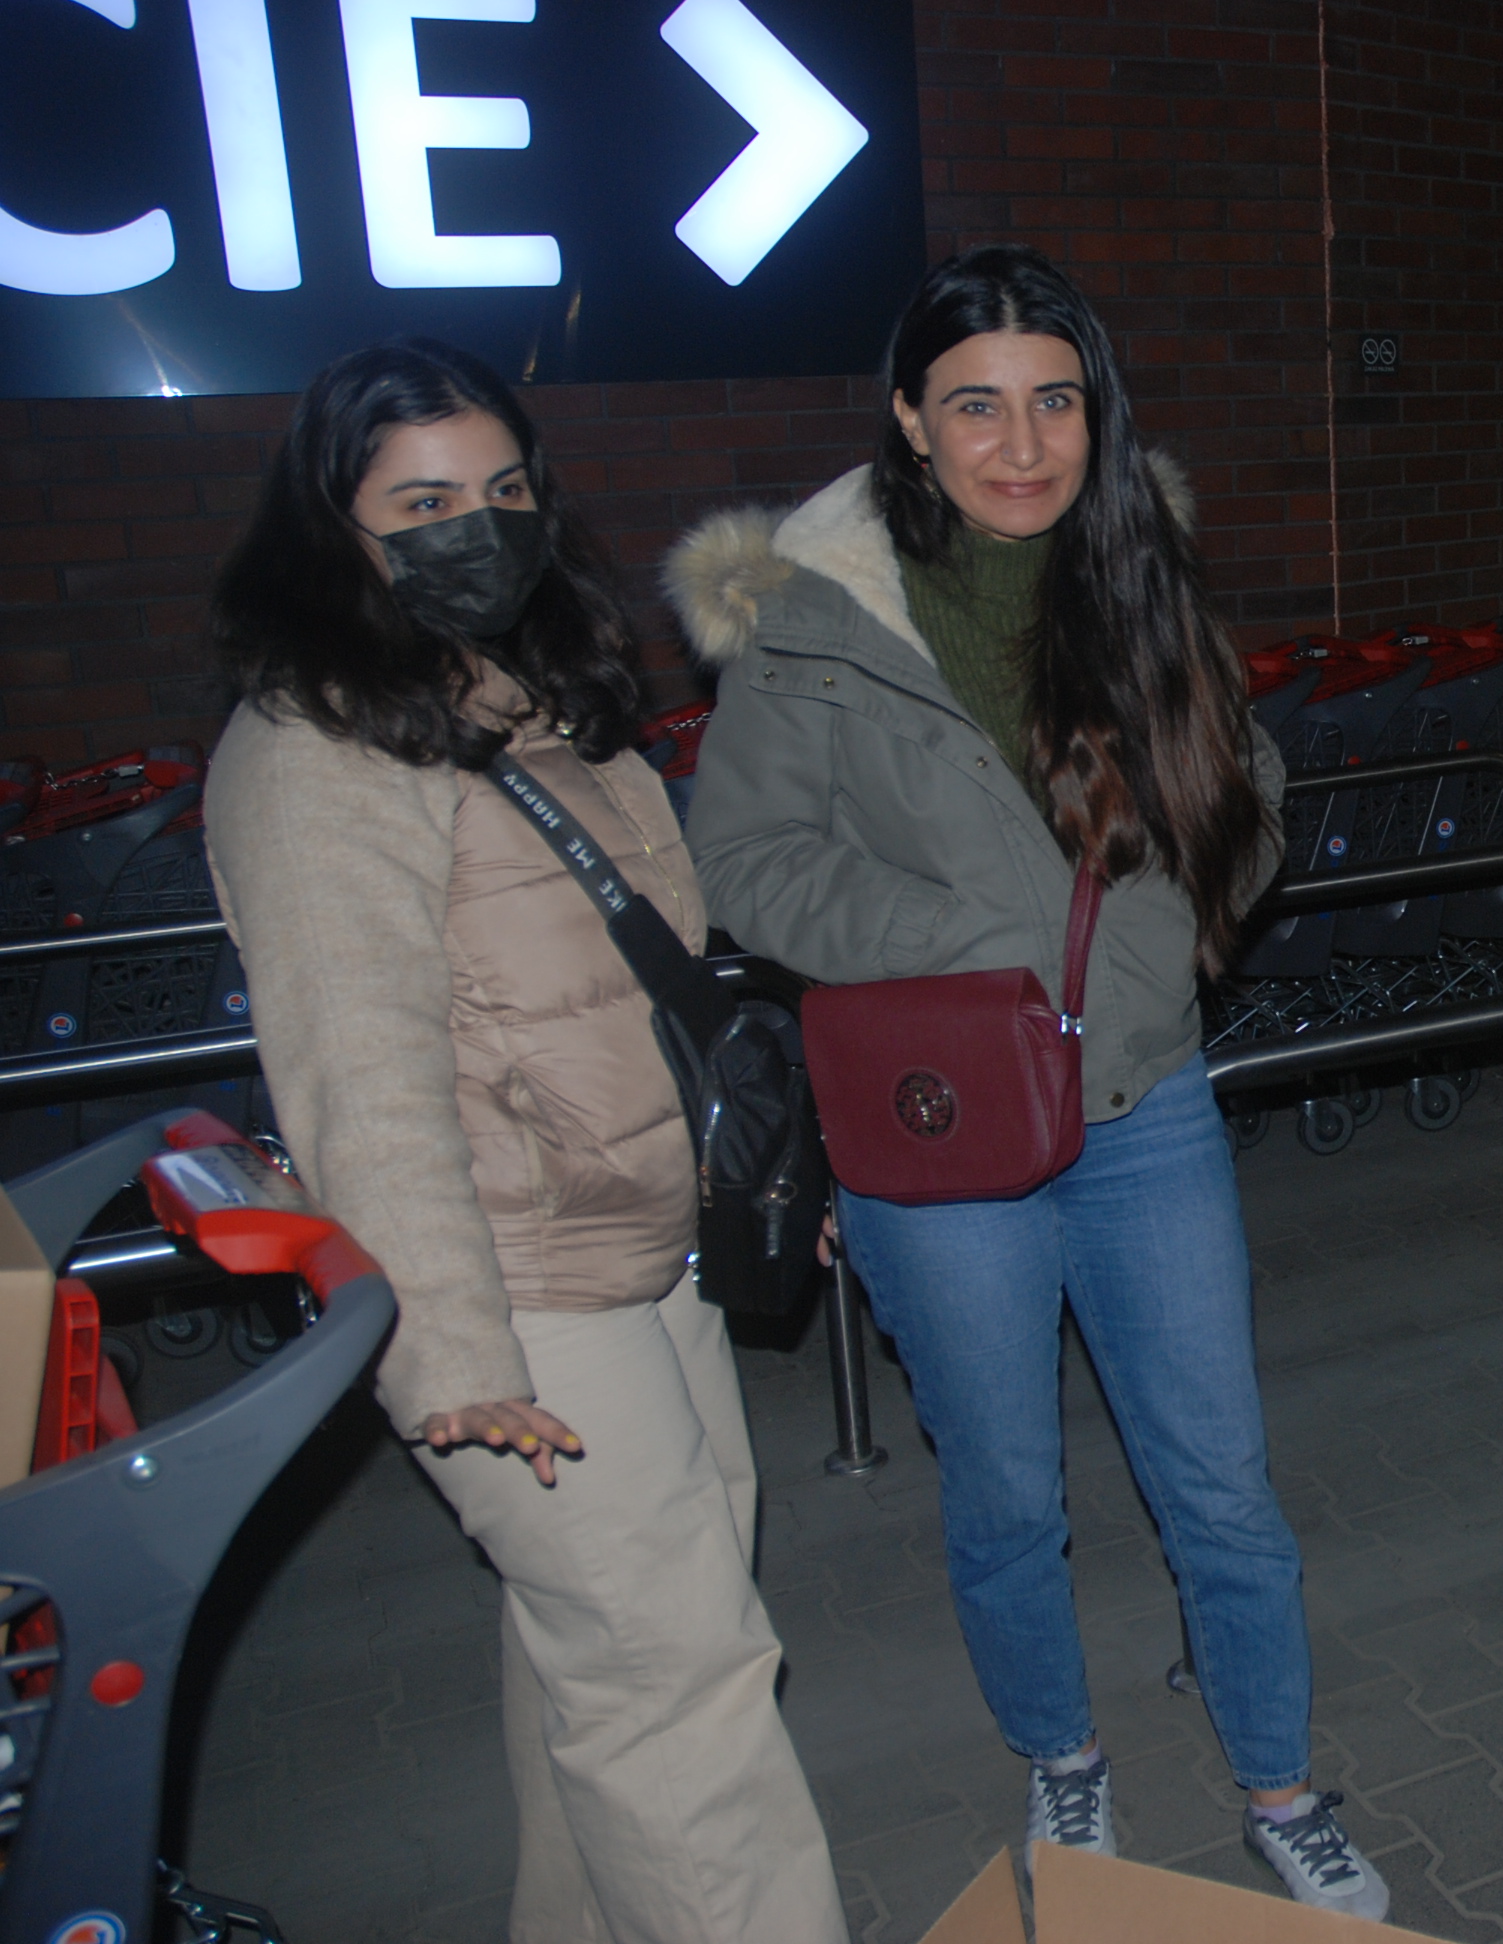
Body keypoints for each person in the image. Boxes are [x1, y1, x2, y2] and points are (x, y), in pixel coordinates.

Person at [666, 245, 1390, 1919]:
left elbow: (1247, 775)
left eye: (1054, 400)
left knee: (1219, 1478)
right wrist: (975, 937)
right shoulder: (810, 619)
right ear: (910, 420)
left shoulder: (1138, 576)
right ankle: (1062, 1751)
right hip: (943, 1121)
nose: (1021, 442)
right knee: (1005, 1490)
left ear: (1094, 412)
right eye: (976, 404)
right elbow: (747, 864)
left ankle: (1281, 1782)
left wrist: (1185, 924)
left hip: (1144, 1102)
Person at [203, 342, 848, 1943]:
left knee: (621, 1657)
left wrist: (746, 1179)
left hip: (646, 1243)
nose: (474, 531)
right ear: (332, 528)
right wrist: (445, 1344)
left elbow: (659, 988)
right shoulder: (312, 751)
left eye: (500, 491)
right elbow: (356, 1072)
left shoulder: (537, 701)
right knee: (678, 1682)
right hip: (515, 1286)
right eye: (422, 504)